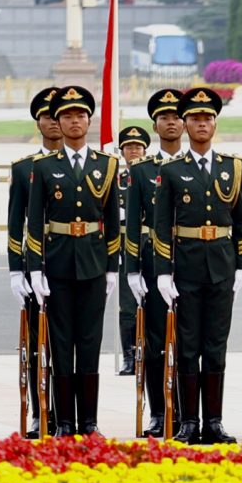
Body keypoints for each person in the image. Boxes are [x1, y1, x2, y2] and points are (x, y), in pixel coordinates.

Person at [20, 86, 119, 436]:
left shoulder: (107, 165)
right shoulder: (45, 167)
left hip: (93, 264)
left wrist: (112, 267)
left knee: (89, 342)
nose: (74, 121)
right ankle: (64, 422)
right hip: (58, 265)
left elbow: (112, 221)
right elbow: (34, 222)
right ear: (57, 123)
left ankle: (89, 422)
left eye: (80, 115)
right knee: (60, 344)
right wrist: (35, 269)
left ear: (89, 121)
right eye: (67, 116)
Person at [151, 85, 242, 445]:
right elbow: (161, 224)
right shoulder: (172, 170)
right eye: (195, 118)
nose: (201, 124)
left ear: (215, 123)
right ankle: (189, 420)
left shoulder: (233, 168)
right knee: (188, 345)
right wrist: (163, 270)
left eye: (207, 118)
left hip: (222, 266)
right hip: (187, 268)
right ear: (186, 124)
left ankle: (215, 421)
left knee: (216, 345)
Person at [4, 87, 64, 434]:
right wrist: (17, 269)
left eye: (58, 117)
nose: (54, 123)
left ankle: (68, 412)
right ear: (39, 122)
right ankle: (41, 411)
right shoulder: (25, 168)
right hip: (35, 265)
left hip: (70, 262)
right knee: (36, 342)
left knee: (69, 341)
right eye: (47, 116)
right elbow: (16, 223)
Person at [124, 89, 186, 426]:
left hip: (193, 259)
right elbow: (133, 225)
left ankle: (189, 410)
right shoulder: (142, 170)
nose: (172, 122)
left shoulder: (197, 164)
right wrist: (132, 269)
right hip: (152, 263)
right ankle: (161, 412)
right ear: (155, 124)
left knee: (190, 338)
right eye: (165, 117)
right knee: (155, 340)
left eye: (177, 116)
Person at [113, 122, 149, 379]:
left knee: (155, 303)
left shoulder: (153, 176)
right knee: (127, 306)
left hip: (150, 243)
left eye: (138, 146)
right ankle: (129, 356)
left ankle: (151, 352)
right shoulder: (116, 181)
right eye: (129, 147)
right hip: (125, 246)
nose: (134, 151)